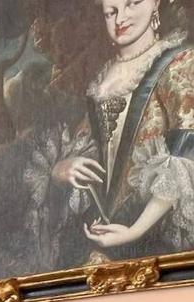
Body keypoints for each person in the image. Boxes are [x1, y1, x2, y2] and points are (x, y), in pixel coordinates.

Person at [49, 0, 194, 259]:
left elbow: (186, 154)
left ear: (156, 4)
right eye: (110, 12)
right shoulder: (102, 80)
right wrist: (61, 168)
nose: (120, 20)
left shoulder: (180, 63)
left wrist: (133, 231)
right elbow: (86, 146)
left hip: (151, 230)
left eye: (132, 3)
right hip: (98, 228)